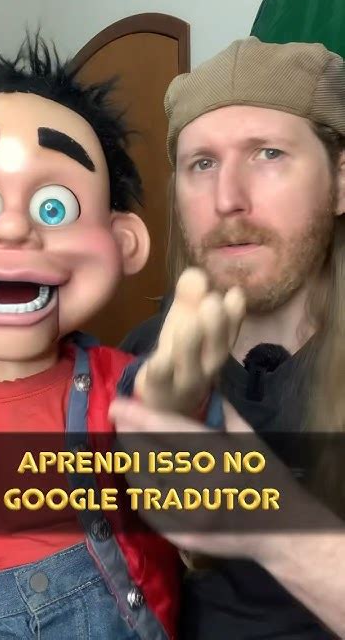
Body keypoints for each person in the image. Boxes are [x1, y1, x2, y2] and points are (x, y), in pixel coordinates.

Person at [0, 33, 182, 640]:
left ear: (123, 241)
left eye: (54, 207)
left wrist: (185, 396)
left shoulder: (121, 384)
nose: (12, 229)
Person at [114, 37, 345, 639]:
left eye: (268, 153)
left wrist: (273, 524)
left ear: (341, 180)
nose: (227, 200)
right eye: (203, 164)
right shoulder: (139, 357)